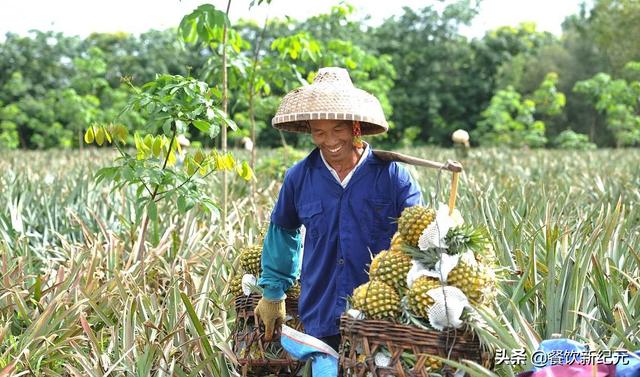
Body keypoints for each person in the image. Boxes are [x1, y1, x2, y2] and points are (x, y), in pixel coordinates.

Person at [254, 67, 424, 352]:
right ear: (310, 132)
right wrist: (273, 292)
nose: (329, 141)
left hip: (381, 317)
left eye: (337, 130)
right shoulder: (299, 177)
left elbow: (420, 236)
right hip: (320, 313)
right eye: (319, 132)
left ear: (354, 127)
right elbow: (283, 233)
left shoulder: (393, 176)